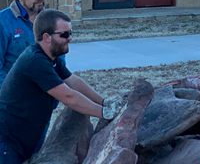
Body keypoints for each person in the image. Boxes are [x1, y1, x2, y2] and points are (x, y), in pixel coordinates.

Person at [0, 9, 120, 163]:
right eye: (64, 34)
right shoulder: (35, 61)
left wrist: (103, 102)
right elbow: (68, 96)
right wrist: (104, 113)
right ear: (46, 37)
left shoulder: (51, 58)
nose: (69, 38)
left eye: (71, 33)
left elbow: (73, 81)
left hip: (28, 136)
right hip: (8, 141)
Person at [0, 0, 53, 87]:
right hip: (13, 95)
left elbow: (59, 61)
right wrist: (11, 91)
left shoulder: (51, 20)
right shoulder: (3, 22)